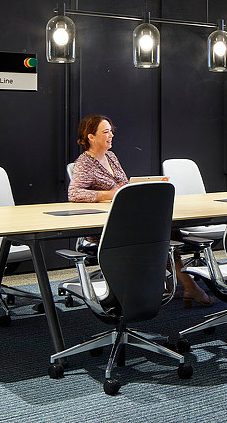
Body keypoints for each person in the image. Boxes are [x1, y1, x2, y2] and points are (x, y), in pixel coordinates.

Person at [68, 114, 211, 307]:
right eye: (105, 132)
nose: (111, 135)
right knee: (161, 232)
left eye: (111, 131)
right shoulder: (84, 163)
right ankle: (188, 286)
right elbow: (74, 194)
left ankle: (179, 285)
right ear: (91, 137)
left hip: (128, 217)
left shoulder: (110, 156)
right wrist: (109, 194)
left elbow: (123, 185)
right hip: (106, 226)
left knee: (167, 230)